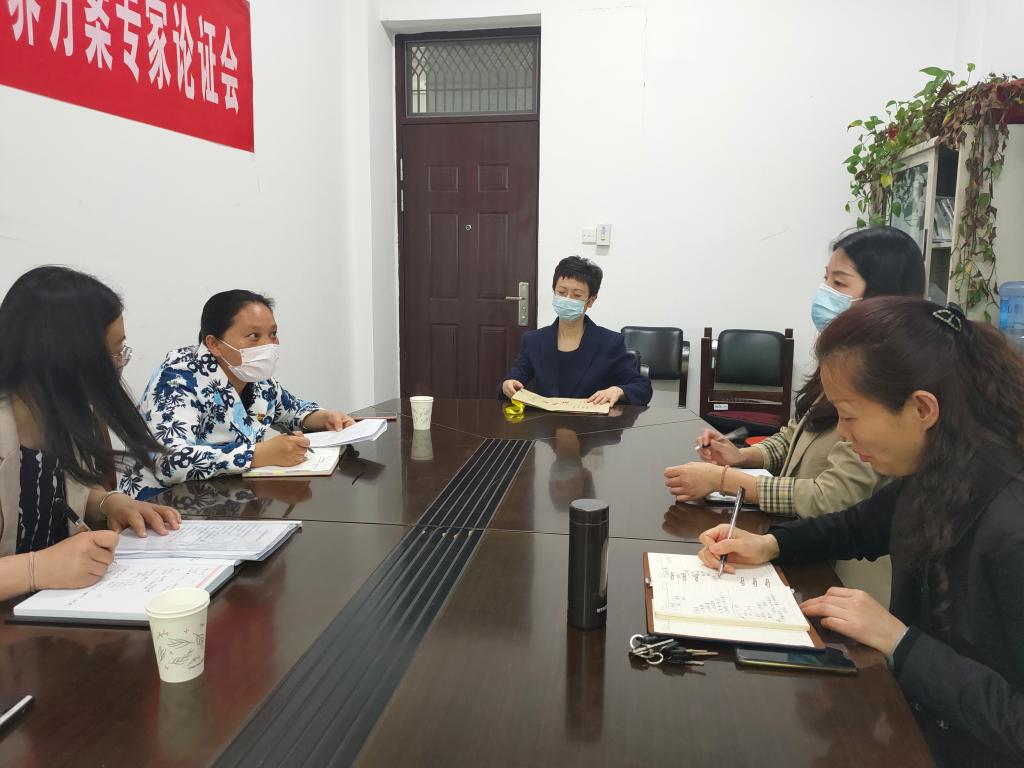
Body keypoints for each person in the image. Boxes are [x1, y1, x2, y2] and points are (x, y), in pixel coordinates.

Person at [696, 297, 1024, 768]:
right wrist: (770, 544)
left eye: (849, 416)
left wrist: (900, 641)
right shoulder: (941, 468)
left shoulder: (1010, 521)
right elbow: (859, 525)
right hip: (913, 724)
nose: (845, 436)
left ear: (922, 408)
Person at [664, 227, 925, 601]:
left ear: (882, 293)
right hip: (799, 542)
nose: (825, 293)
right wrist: (741, 456)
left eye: (839, 283)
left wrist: (725, 479)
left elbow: (832, 497)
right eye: (826, 279)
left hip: (842, 576)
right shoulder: (843, 357)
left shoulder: (887, 380)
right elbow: (796, 433)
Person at [0, 267, 181, 601]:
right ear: (64, 355)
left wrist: (109, 502)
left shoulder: (63, 416)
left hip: (55, 609)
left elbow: (55, 494)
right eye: (114, 352)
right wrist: (34, 569)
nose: (120, 363)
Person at [119, 290, 355, 500]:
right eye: (254, 336)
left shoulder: (257, 378)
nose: (268, 345)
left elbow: (292, 411)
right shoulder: (178, 380)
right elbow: (169, 461)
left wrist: (324, 418)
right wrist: (257, 455)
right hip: (161, 506)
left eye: (273, 334)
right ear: (214, 344)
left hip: (229, 500)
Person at [500, 256, 652, 406]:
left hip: (592, 421)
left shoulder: (610, 342)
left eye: (577, 295)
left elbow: (642, 387)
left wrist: (618, 391)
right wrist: (508, 385)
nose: (567, 299)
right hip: (544, 421)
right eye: (561, 292)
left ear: (591, 300)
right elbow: (513, 379)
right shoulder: (533, 340)